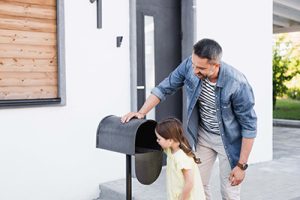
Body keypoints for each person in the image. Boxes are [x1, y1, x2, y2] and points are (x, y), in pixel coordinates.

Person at [121, 38, 257, 200]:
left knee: (229, 191)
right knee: (199, 185)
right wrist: (141, 112)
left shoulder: (237, 83)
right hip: (203, 136)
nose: (194, 71)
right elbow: (164, 88)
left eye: (201, 68)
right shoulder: (189, 65)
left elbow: (249, 126)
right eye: (193, 65)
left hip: (228, 140)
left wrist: (241, 166)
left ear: (216, 66)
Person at [155, 118, 206, 200]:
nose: (157, 140)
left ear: (170, 140)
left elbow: (189, 183)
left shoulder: (181, 157)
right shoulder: (170, 149)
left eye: (159, 139)